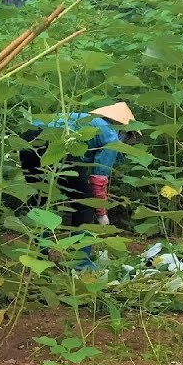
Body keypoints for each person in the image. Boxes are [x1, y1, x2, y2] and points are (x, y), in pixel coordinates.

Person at [18, 102, 136, 269]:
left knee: (39, 197)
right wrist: (101, 213)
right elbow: (98, 180)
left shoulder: (86, 120)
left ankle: (39, 255)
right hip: (58, 141)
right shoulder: (110, 135)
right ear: (123, 129)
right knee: (84, 203)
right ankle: (81, 263)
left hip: (28, 137)